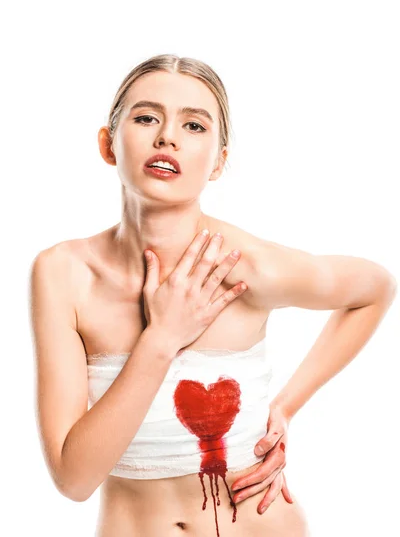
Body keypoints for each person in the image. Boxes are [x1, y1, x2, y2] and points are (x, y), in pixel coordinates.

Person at [29, 54, 396, 537]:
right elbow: (74, 480)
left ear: (219, 162)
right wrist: (161, 340)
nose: (167, 137)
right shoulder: (64, 274)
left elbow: (375, 290)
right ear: (108, 144)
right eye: (145, 118)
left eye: (195, 125)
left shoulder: (246, 266)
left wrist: (284, 407)